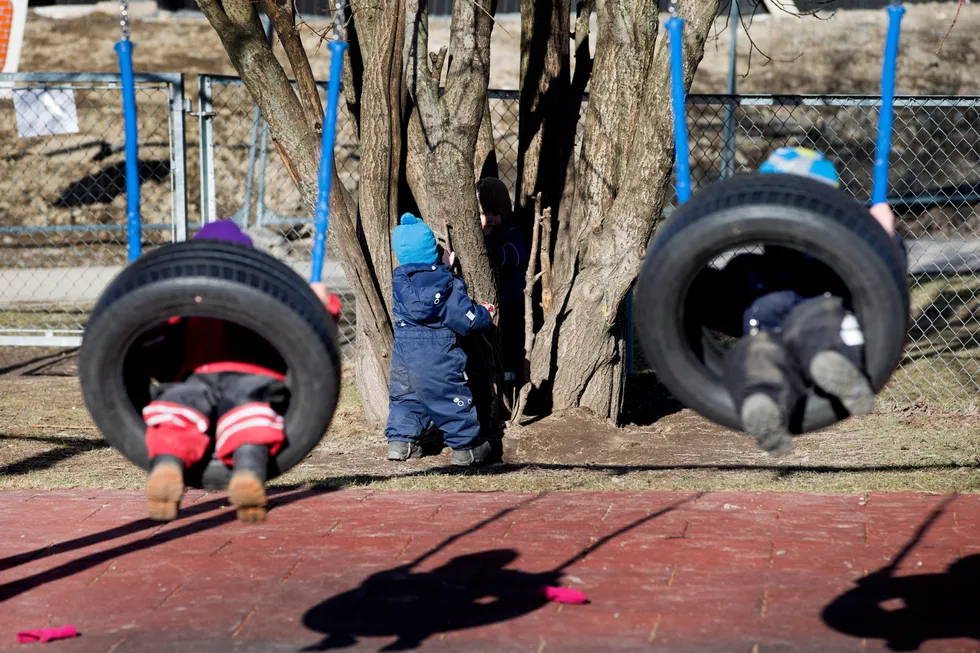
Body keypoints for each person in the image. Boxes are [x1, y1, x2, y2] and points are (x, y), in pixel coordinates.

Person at [689, 147, 908, 456]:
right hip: (798, 316)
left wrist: (884, 236)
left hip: (779, 320)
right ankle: (767, 404)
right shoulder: (755, 270)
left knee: (763, 351)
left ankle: (799, 381)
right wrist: (684, 262)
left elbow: (883, 280)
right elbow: (712, 295)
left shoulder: (827, 257)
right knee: (778, 346)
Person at [141, 220, 342, 523]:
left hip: (197, 376)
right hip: (250, 378)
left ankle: (168, 466)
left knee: (177, 414)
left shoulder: (185, 303)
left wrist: (140, 311)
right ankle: (248, 473)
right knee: (250, 421)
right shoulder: (265, 297)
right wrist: (323, 303)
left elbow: (155, 339)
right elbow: (304, 325)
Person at [384, 213, 495, 466]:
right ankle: (466, 448)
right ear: (434, 253)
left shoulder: (400, 281)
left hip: (404, 357)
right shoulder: (446, 284)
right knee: (449, 397)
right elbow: (465, 320)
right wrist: (484, 314)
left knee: (406, 398)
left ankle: (401, 444)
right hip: (437, 355)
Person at [477, 177, 529, 391]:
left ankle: (510, 387)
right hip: (486, 306)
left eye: (494, 214)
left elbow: (512, 258)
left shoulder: (511, 233)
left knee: (510, 348)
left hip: (510, 303)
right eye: (483, 214)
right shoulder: (476, 235)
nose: (489, 219)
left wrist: (490, 241)